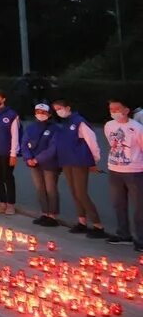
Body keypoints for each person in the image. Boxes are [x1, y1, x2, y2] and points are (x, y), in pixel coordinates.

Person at [52, 99, 106, 238]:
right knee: (74, 192)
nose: (58, 111)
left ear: (68, 107)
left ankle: (97, 225)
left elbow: (91, 140)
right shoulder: (64, 123)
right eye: (56, 109)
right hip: (67, 161)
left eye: (60, 108)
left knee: (81, 193)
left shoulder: (79, 121)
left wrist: (94, 160)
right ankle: (82, 221)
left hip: (80, 161)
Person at [104, 100, 143, 250]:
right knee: (118, 204)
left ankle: (140, 239)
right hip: (114, 169)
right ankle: (123, 234)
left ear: (126, 110)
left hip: (134, 171)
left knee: (139, 207)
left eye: (117, 109)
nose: (113, 112)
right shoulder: (109, 126)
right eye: (111, 109)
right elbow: (111, 143)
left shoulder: (137, 128)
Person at [21, 103, 61, 227]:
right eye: (38, 112)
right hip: (33, 163)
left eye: (43, 112)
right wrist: (28, 158)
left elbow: (53, 148)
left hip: (49, 163)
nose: (40, 114)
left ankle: (53, 215)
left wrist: (37, 159)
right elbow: (24, 143)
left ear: (49, 114)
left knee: (51, 189)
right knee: (40, 189)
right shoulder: (31, 127)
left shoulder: (55, 129)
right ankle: (44, 213)